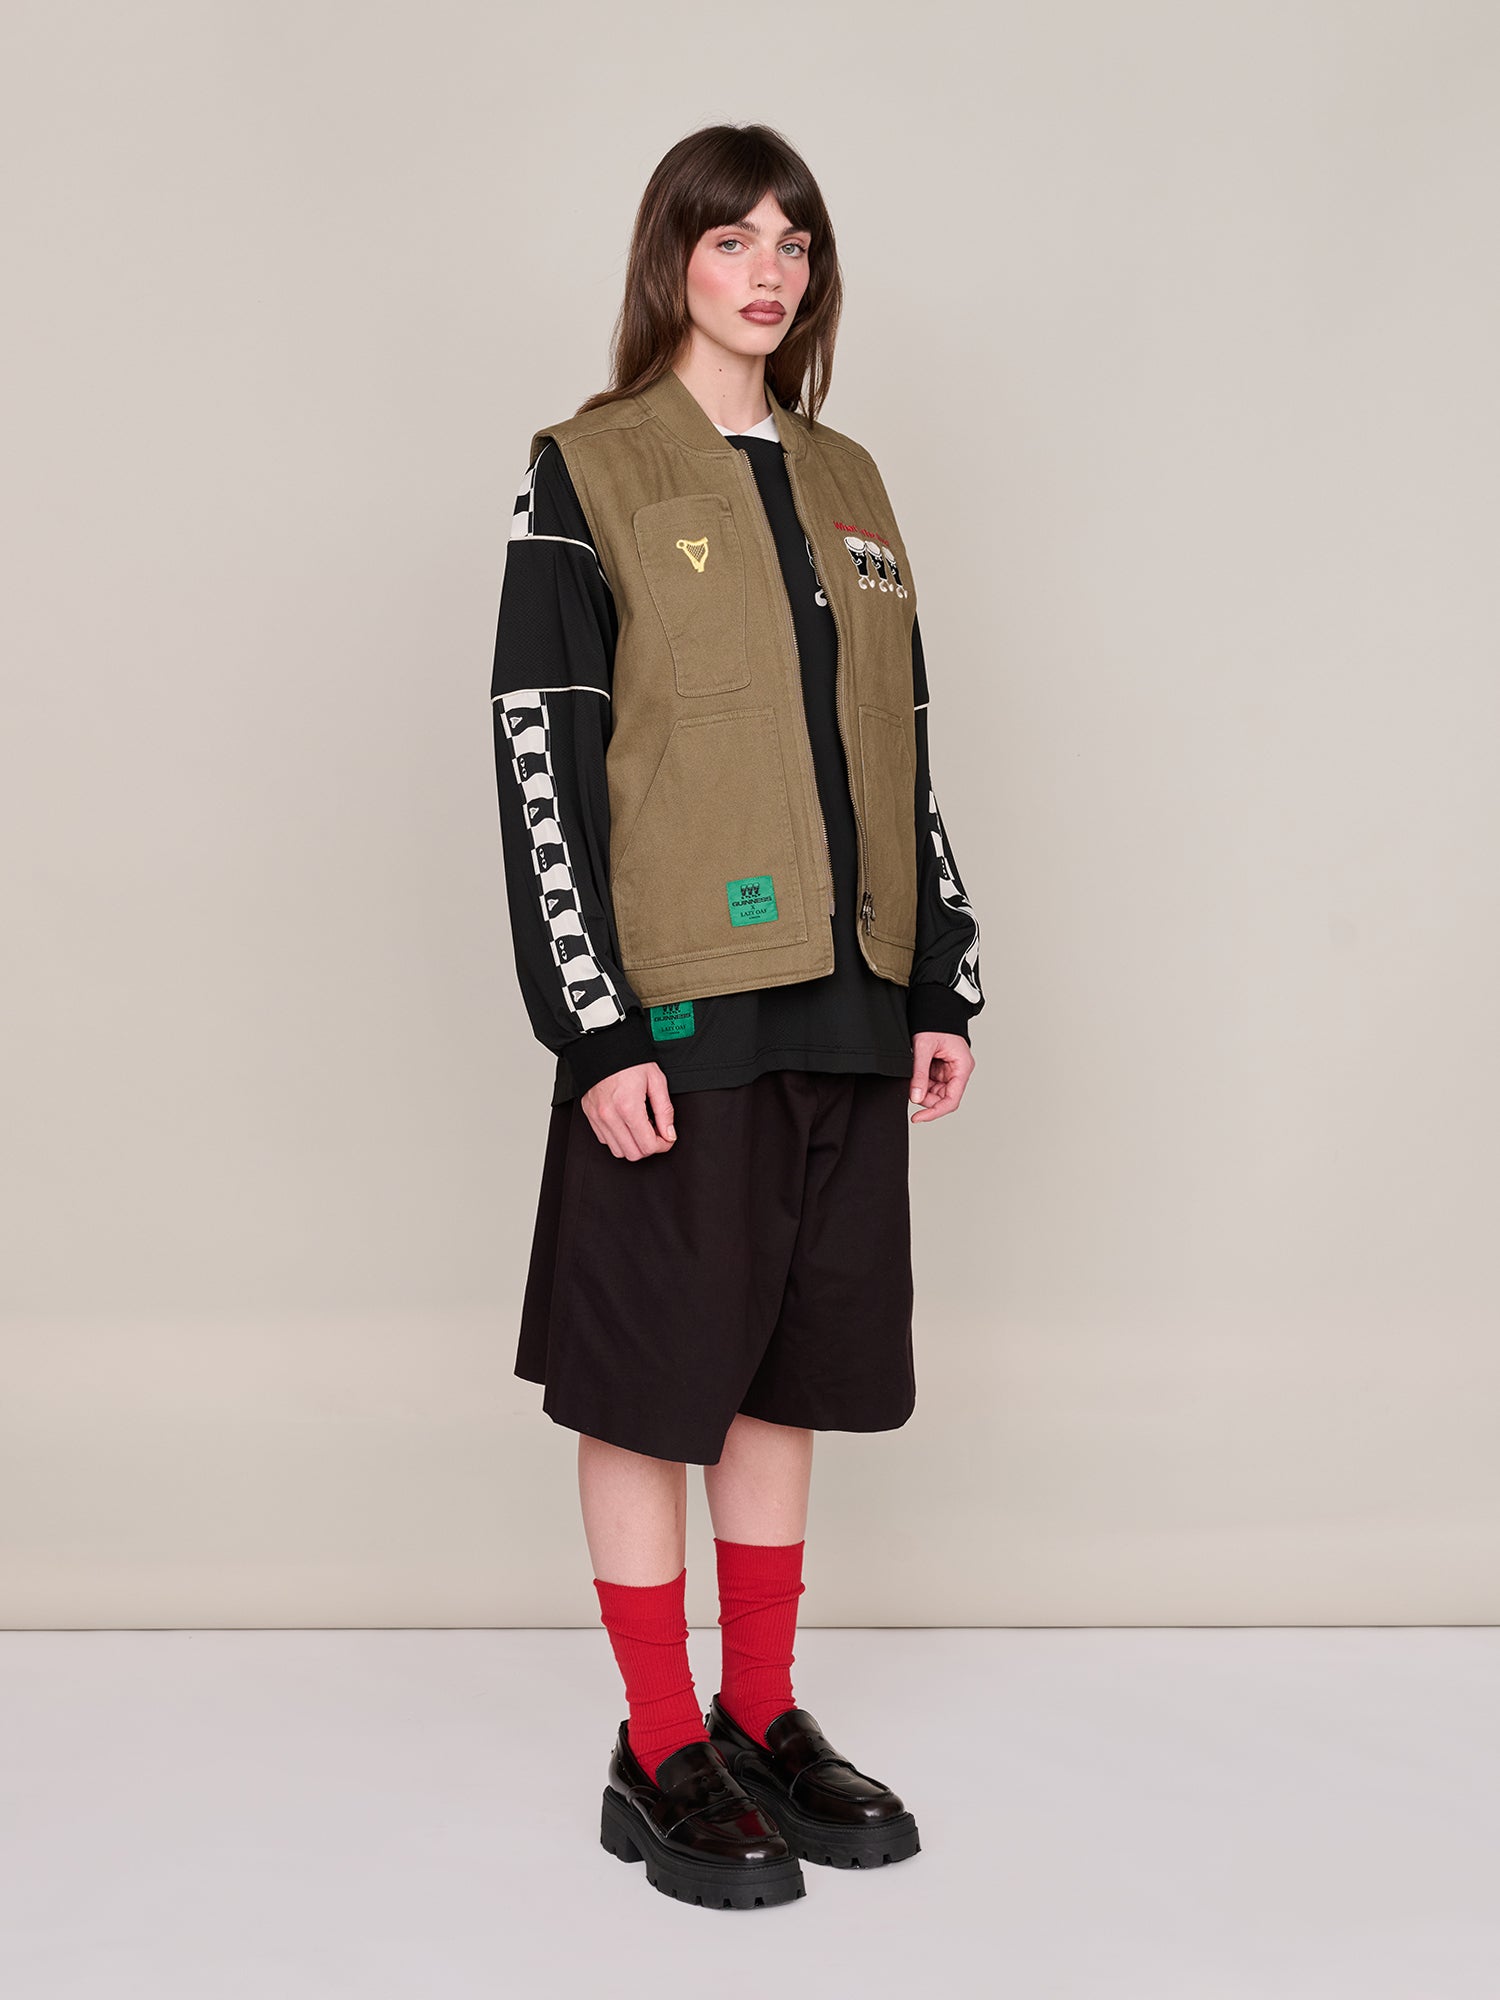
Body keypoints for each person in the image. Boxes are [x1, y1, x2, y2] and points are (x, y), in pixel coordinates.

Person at [488, 122, 983, 1911]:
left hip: (848, 996)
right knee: (653, 1378)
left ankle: (759, 1711)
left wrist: (938, 967)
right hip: (681, 1007)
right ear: (672, 261)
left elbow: (899, 741)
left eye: (794, 242)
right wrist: (595, 1025)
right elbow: (541, 752)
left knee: (786, 1365)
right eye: (731, 240)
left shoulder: (851, 479)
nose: (768, 271)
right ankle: (656, 1742)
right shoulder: (588, 467)